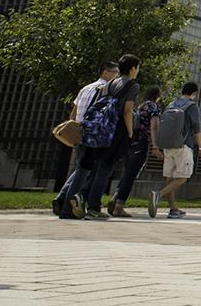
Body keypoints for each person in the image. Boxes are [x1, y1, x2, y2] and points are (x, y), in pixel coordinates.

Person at [73, 54, 142, 220]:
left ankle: (81, 196)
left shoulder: (111, 83)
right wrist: (130, 132)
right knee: (105, 169)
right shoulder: (133, 85)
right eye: (138, 68)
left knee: (96, 167)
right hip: (117, 130)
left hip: (101, 129)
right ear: (133, 68)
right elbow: (127, 111)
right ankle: (93, 208)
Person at [53, 61, 118, 218]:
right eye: (114, 72)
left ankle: (61, 198)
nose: (116, 76)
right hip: (92, 133)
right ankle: (67, 209)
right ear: (105, 72)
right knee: (84, 171)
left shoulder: (85, 88)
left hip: (80, 130)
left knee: (80, 168)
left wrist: (74, 129)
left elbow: (74, 112)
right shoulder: (103, 89)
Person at [151, 81, 201, 219]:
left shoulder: (171, 104)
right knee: (182, 177)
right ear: (194, 93)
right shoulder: (192, 106)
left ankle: (173, 209)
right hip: (183, 145)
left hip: (168, 145)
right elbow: (196, 128)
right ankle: (158, 195)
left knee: (170, 178)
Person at [108, 86, 160, 218]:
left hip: (130, 142)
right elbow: (153, 126)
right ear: (157, 97)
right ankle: (119, 207)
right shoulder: (153, 107)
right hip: (142, 143)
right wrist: (155, 146)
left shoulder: (140, 106)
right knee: (131, 175)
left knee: (127, 173)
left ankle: (114, 199)